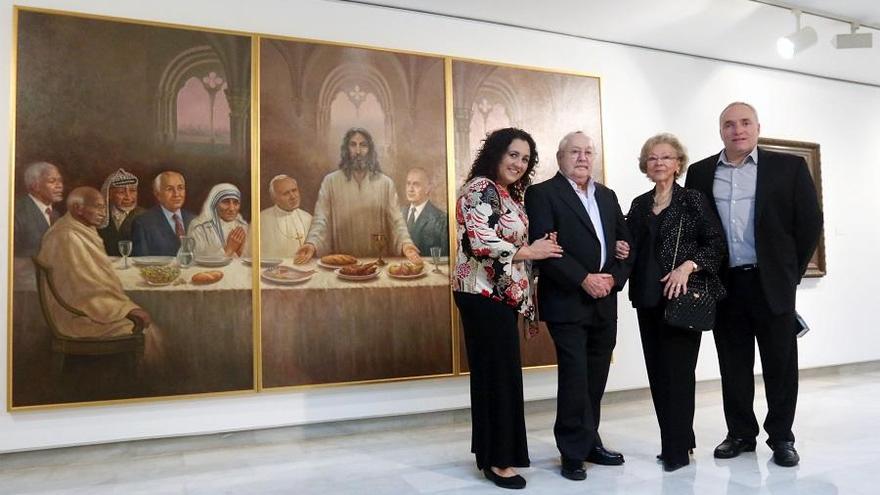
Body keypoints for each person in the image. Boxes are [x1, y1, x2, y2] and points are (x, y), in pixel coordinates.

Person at [685, 102, 822, 467]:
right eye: (729, 125)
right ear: (720, 132)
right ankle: (741, 434)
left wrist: (788, 273)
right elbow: (694, 229)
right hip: (725, 283)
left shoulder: (788, 167)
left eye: (745, 123)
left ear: (758, 127)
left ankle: (781, 438)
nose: (737, 130)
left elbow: (809, 222)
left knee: (780, 364)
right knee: (733, 365)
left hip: (771, 282)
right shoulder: (699, 173)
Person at [453, 127, 563, 490]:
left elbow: (518, 253)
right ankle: (497, 460)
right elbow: (480, 239)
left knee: (501, 376)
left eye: (526, 159)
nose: (519, 163)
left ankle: (496, 453)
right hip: (481, 294)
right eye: (513, 154)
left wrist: (529, 306)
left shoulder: (510, 195)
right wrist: (531, 250)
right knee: (497, 377)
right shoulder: (480, 187)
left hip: (501, 297)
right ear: (497, 153)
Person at [524, 131, 632, 481]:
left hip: (606, 300)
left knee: (596, 377)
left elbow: (625, 243)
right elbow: (545, 249)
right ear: (560, 158)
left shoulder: (607, 195)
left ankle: (589, 441)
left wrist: (613, 278)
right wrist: (584, 278)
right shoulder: (542, 194)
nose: (583, 157)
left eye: (588, 151)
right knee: (574, 376)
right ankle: (571, 451)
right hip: (567, 299)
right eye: (575, 151)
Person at [622, 133, 726, 471]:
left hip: (681, 297)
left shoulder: (692, 200)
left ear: (678, 164)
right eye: (653, 158)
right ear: (645, 166)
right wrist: (621, 248)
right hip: (647, 297)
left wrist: (688, 266)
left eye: (666, 158)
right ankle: (678, 438)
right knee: (657, 374)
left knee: (679, 374)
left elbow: (714, 243)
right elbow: (627, 242)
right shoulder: (639, 204)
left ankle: (676, 450)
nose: (659, 163)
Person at [36, 187, 154, 340]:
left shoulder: (78, 228)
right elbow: (86, 289)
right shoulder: (68, 237)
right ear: (78, 208)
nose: (104, 213)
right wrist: (127, 309)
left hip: (82, 310)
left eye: (104, 207)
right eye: (98, 207)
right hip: (75, 317)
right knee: (146, 331)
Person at [294, 128, 419, 263]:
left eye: (363, 145)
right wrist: (312, 244)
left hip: (377, 263)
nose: (358, 151)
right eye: (353, 145)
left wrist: (406, 245)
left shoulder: (385, 183)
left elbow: (396, 222)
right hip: (341, 264)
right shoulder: (330, 182)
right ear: (346, 149)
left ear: (370, 150)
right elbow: (321, 220)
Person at [245, 174, 312, 259]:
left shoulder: (308, 218)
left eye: (294, 190)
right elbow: (248, 255)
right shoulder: (260, 220)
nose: (293, 196)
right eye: (286, 193)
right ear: (274, 198)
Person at [131, 171, 196, 257]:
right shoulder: (143, 223)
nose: (176, 194)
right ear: (157, 194)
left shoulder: (194, 219)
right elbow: (141, 261)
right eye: (169, 189)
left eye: (180, 188)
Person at [14, 161, 64, 257]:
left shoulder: (56, 215)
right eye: (52, 181)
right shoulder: (17, 213)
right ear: (35, 186)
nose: (60, 185)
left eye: (60, 180)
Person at [188, 183, 248, 258]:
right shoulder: (198, 227)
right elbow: (196, 259)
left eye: (236, 203)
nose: (232, 208)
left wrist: (240, 252)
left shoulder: (243, 226)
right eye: (226, 202)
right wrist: (229, 250)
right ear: (214, 203)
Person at [98, 168, 146, 256]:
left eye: (132, 191)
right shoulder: (98, 216)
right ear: (109, 195)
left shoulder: (145, 216)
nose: (128, 197)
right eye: (121, 192)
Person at [401, 167, 448, 256]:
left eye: (416, 184)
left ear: (427, 188)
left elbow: (445, 258)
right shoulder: (399, 214)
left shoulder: (441, 219)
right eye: (408, 184)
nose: (410, 189)